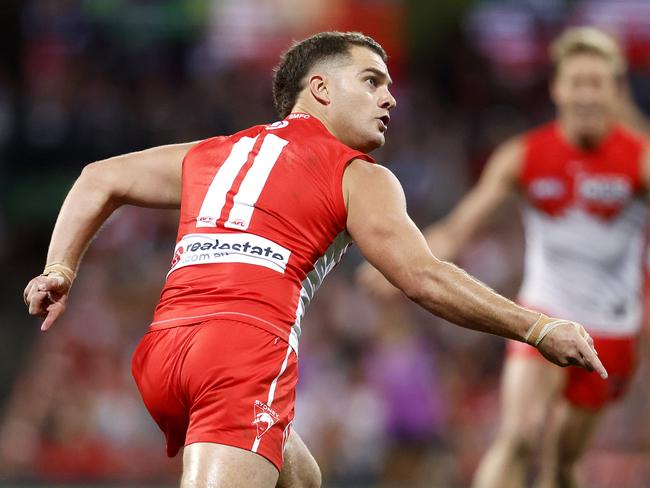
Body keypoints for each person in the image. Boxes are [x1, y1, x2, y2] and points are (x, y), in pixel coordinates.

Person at [23, 31, 605, 488]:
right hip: (241, 350)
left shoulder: (215, 153)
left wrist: (60, 269)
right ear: (322, 89)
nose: (390, 98)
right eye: (373, 81)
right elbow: (424, 278)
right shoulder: (356, 174)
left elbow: (99, 178)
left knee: (302, 478)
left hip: (162, 353)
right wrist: (538, 326)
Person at [358, 27, 647, 488]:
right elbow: (460, 225)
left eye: (599, 84)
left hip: (612, 328)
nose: (587, 95)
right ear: (557, 88)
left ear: (614, 91)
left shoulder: (640, 157)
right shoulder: (523, 156)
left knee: (564, 463)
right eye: (578, 82)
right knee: (518, 437)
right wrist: (403, 263)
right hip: (545, 308)